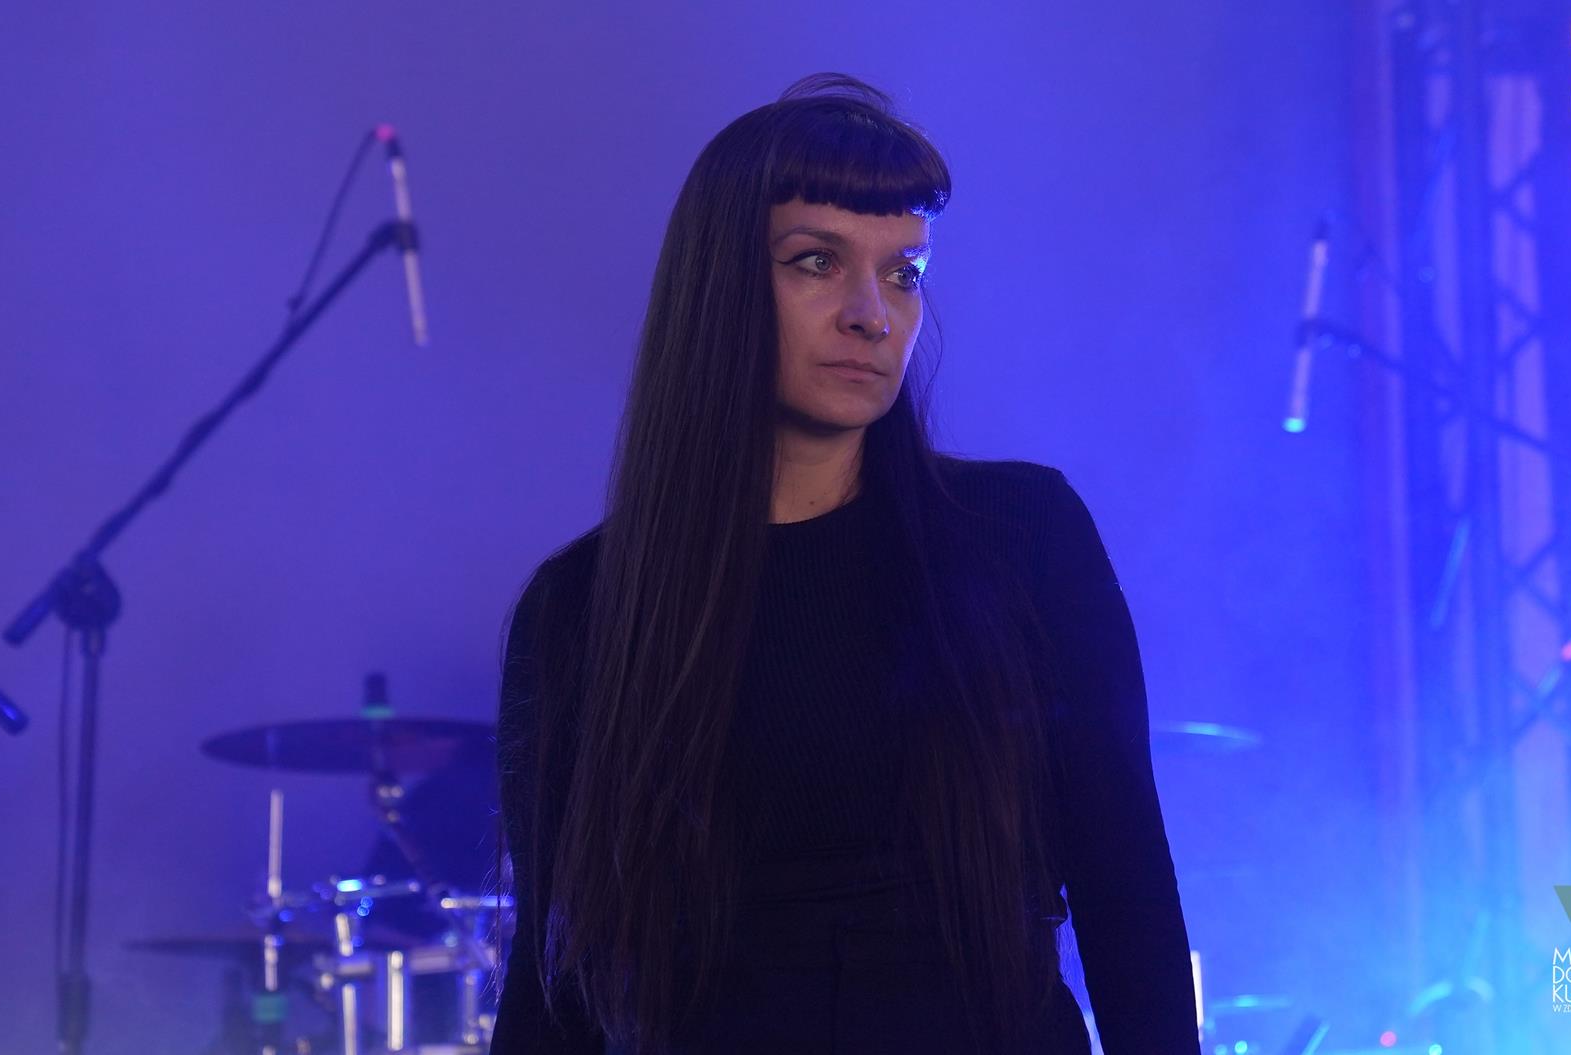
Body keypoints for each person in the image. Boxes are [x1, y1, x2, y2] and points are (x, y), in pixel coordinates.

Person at [490, 73, 1199, 1055]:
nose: (873, 313)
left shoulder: (1022, 534)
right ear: (719, 286)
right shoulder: (583, 606)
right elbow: (552, 982)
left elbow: (1129, 892)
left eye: (903, 271)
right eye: (817, 261)